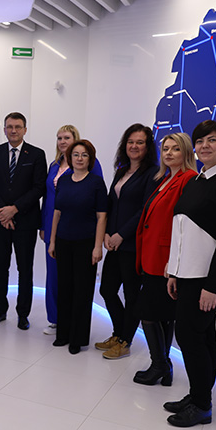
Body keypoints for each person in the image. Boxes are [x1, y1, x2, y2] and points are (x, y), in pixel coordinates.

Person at [164, 120, 216, 427]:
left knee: (190, 336)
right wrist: (174, 272)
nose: (204, 146)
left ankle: (202, 405)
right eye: (199, 141)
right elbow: (183, 230)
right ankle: (199, 395)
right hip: (189, 272)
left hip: (211, 275)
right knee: (201, 335)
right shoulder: (197, 181)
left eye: (212, 140)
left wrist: (213, 286)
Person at [133, 133, 197, 386]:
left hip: (165, 259)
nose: (169, 153)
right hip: (153, 256)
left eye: (175, 149)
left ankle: (159, 364)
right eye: (165, 149)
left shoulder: (188, 179)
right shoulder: (165, 179)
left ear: (186, 152)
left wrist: (174, 261)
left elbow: (185, 224)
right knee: (162, 314)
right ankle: (164, 365)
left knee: (149, 313)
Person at [96, 124, 159, 359]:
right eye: (131, 142)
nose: (134, 146)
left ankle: (125, 341)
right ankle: (119, 333)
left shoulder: (153, 173)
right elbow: (111, 205)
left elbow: (145, 210)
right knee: (107, 289)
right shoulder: (121, 171)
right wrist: (106, 233)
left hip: (133, 245)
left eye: (140, 142)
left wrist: (121, 234)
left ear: (148, 146)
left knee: (131, 295)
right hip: (114, 243)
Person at [0, 112, 47, 330]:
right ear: (4, 129)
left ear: (25, 130)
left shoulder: (37, 154)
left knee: (25, 268)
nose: (13, 130)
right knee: (0, 266)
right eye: (9, 126)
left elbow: (39, 187)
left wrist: (15, 209)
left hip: (26, 221)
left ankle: (23, 313)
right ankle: (0, 309)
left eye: (18, 127)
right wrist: (4, 212)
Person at [39, 125, 104, 335]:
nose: (62, 142)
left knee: (75, 279)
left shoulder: (90, 164)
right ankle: (55, 319)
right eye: (59, 138)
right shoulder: (54, 165)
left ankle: (73, 325)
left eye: (67, 137)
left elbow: (98, 199)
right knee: (54, 276)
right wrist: (43, 225)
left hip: (79, 229)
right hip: (53, 226)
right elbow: (47, 197)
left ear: (76, 139)